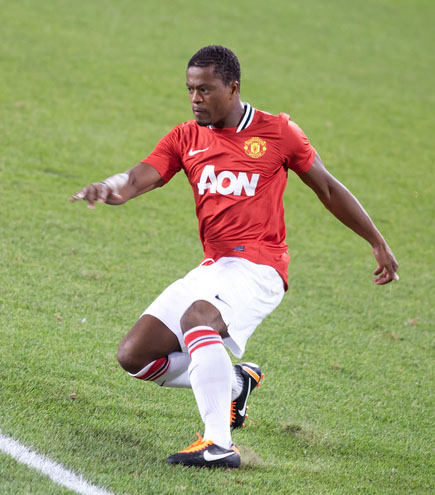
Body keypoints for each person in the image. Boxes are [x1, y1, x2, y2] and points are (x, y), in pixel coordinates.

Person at [70, 45, 399, 469]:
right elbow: (135, 179)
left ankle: (219, 444)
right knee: (134, 356)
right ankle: (235, 384)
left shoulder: (278, 132)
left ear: (233, 87)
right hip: (215, 267)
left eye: (205, 90)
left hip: (260, 267)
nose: (195, 99)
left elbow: (329, 189)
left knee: (198, 318)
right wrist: (108, 185)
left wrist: (377, 241)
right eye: (190, 90)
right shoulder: (185, 137)